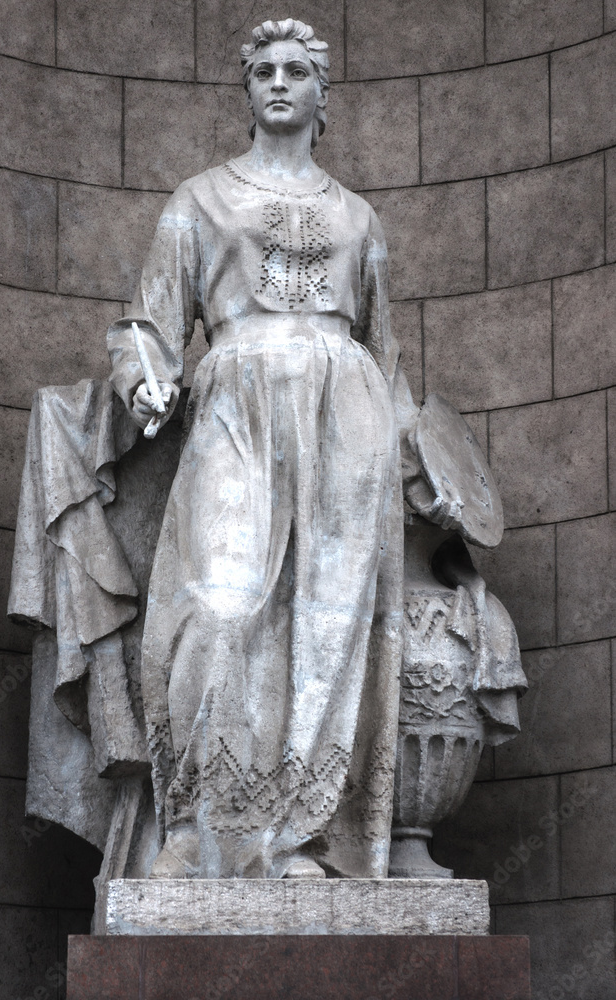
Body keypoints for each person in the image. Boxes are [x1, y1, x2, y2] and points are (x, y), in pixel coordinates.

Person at [106, 18, 460, 880]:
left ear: (319, 94)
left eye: (295, 70)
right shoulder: (198, 200)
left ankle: (305, 838)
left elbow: (389, 355)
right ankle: (204, 828)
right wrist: (146, 379)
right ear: (245, 90)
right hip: (236, 401)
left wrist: (427, 469)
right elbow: (146, 324)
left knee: (328, 627)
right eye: (261, 69)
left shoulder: (356, 216)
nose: (276, 82)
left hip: (349, 419)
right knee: (218, 610)